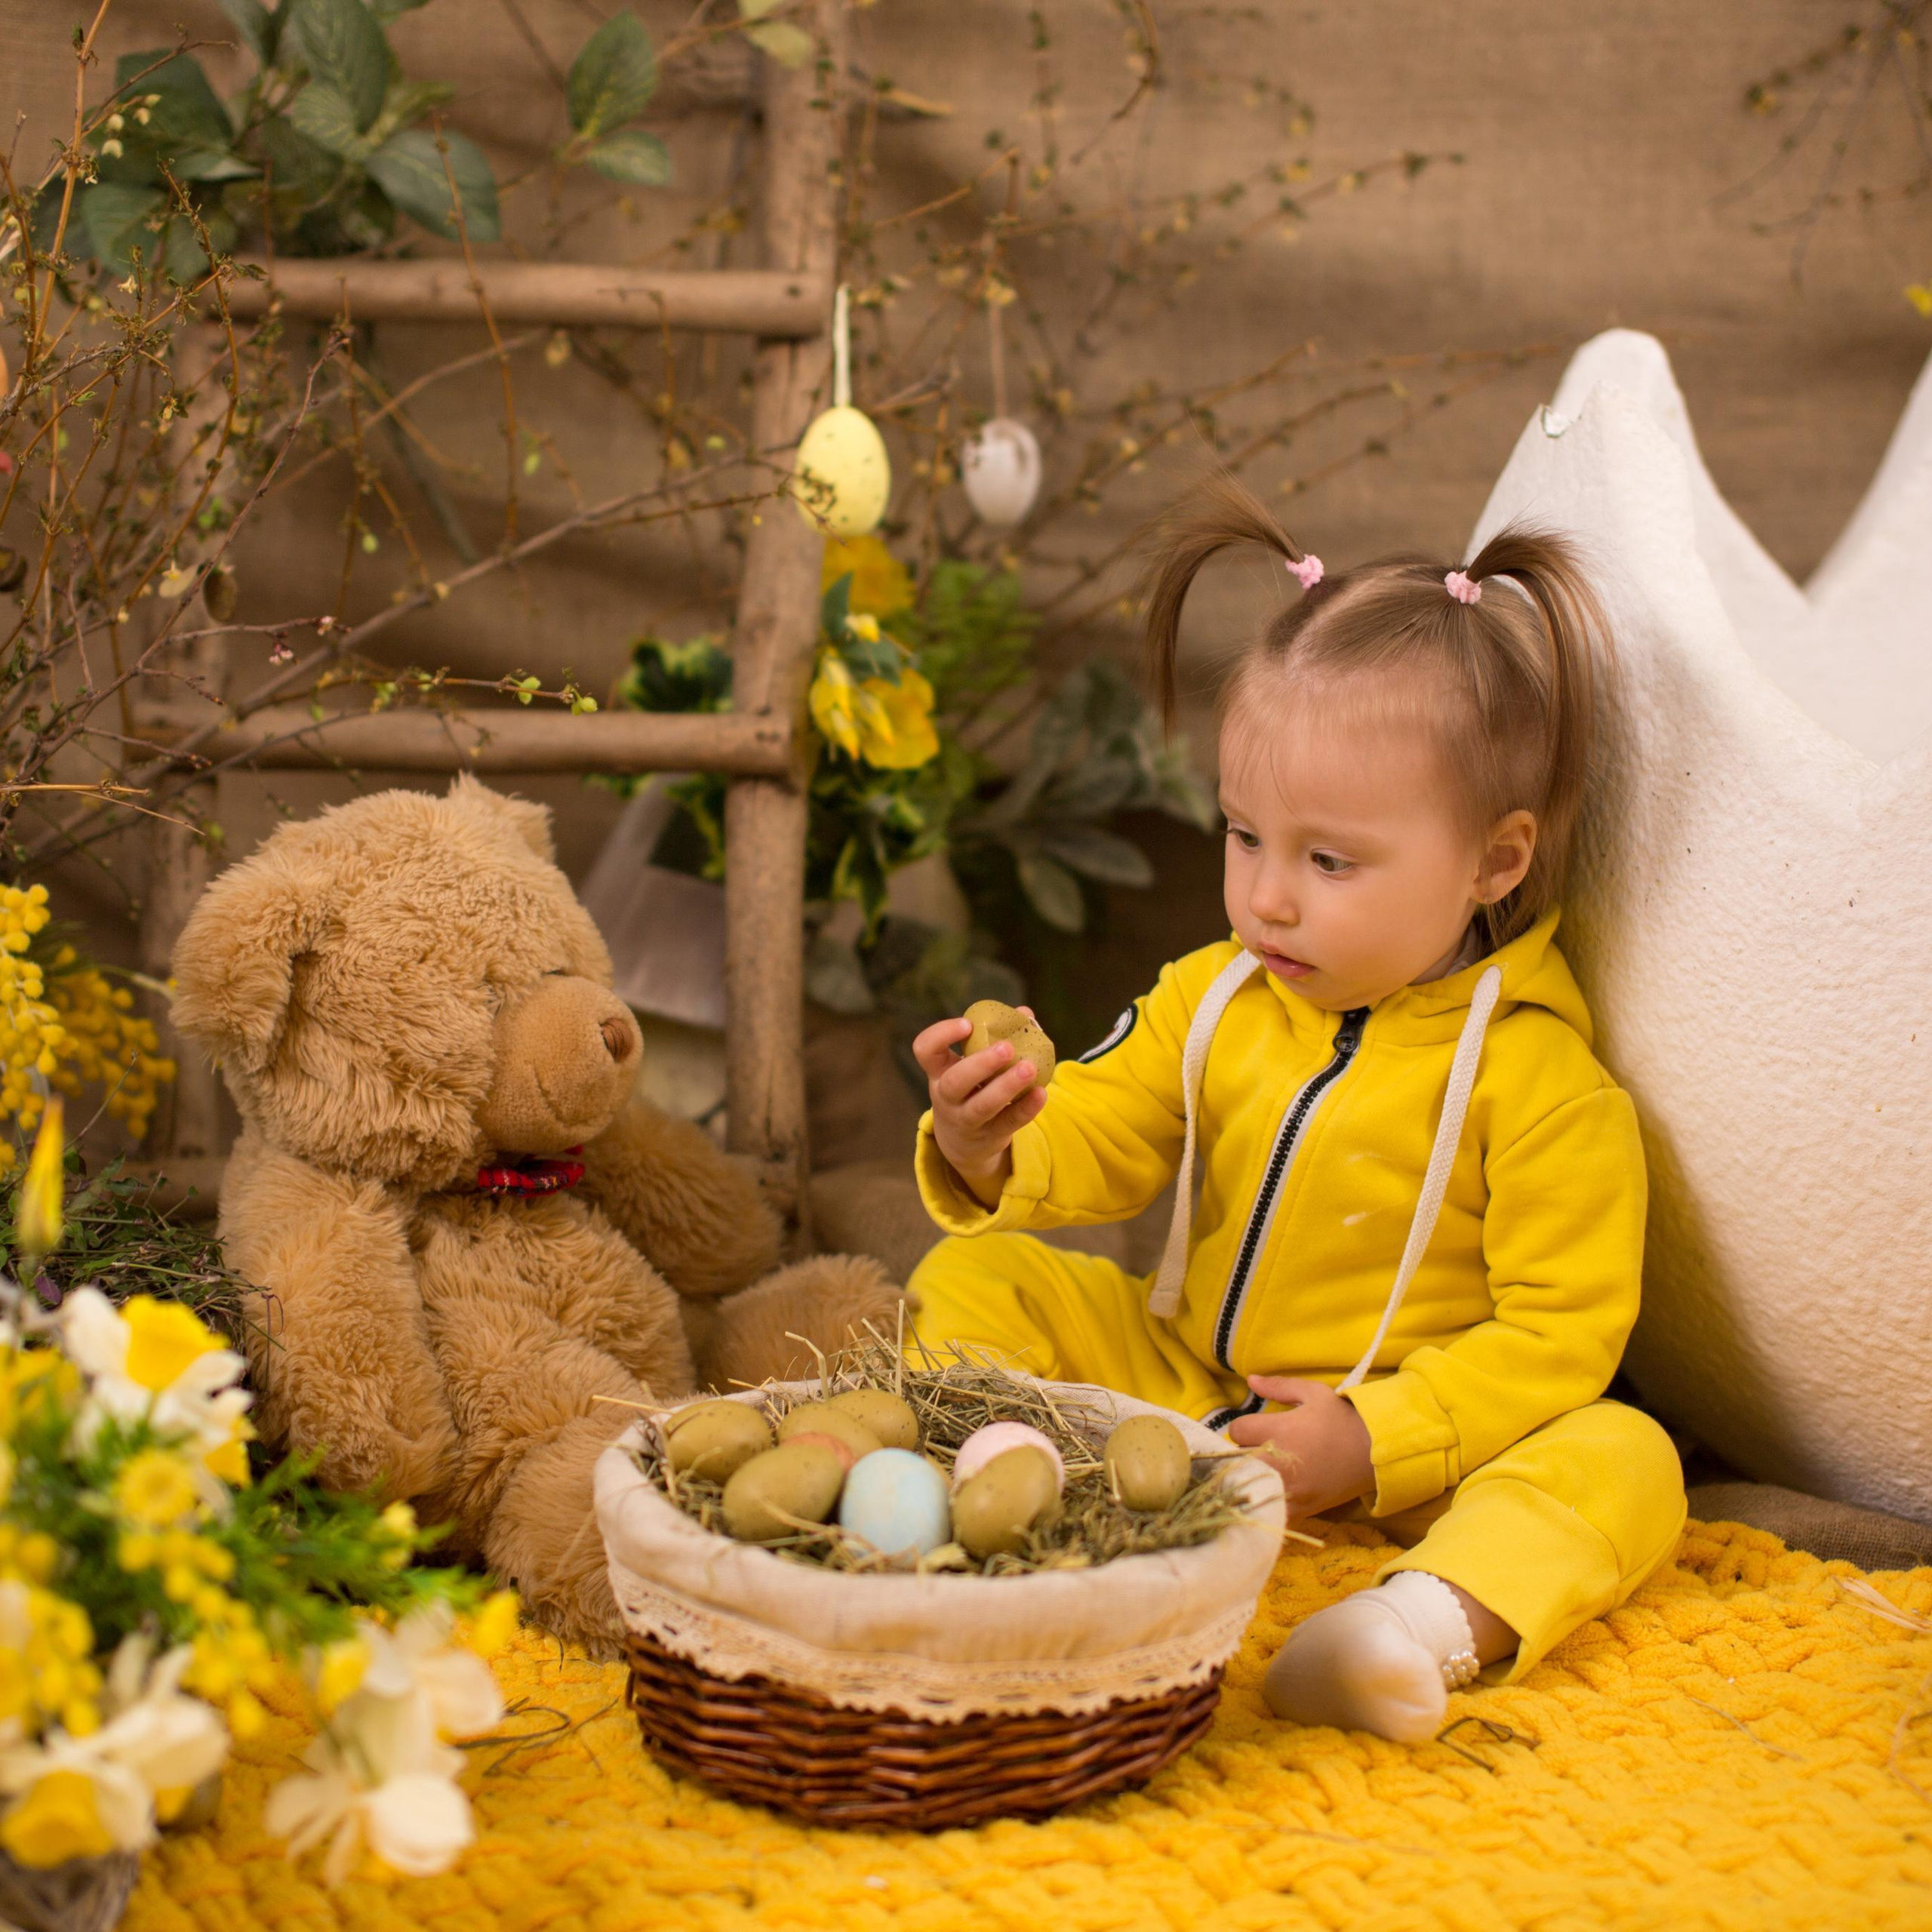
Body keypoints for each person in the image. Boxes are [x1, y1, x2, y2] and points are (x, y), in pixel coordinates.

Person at [906, 474, 1685, 1743]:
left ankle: (1412, 1625)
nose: (1267, 899)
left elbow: (1559, 1335)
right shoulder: (1216, 997)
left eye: (1328, 861)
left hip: (1411, 1461)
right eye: (1242, 835)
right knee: (982, 1279)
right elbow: (1107, 1129)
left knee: (1626, 1458)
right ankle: (1030, 1500)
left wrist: (1376, 1438)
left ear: (1495, 860)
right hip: (1185, 1386)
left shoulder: (1541, 1084)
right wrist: (991, 1138)